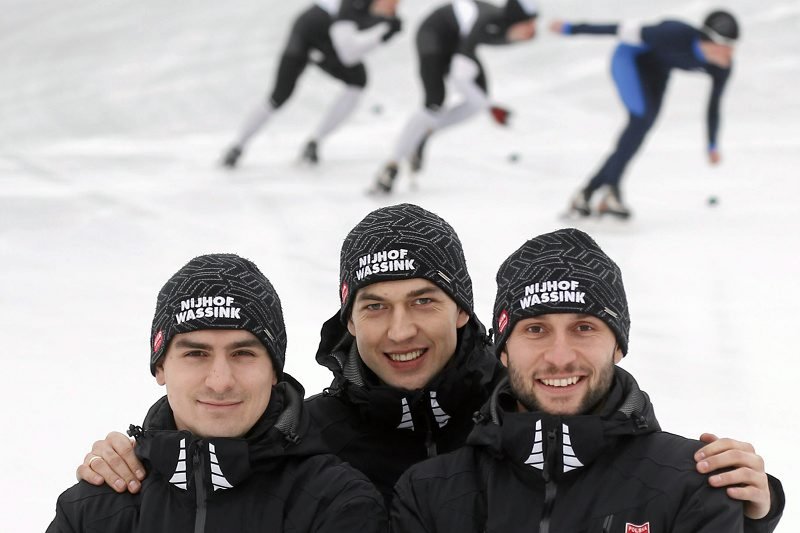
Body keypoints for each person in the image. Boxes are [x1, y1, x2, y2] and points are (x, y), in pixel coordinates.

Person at [74, 206, 781, 528]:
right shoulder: (305, 435)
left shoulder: (535, 395)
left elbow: (623, 472)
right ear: (348, 321)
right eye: (374, 307)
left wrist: (753, 498)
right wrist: (138, 450)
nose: (401, 329)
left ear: (467, 314)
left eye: (424, 300)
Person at [391, 228, 785, 532]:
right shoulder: (431, 493)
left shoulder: (690, 484)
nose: (560, 357)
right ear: (504, 350)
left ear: (618, 345)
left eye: (583, 328)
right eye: (535, 330)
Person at [48, 254, 386, 532]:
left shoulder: (334, 504)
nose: (220, 381)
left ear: (273, 371)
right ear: (161, 367)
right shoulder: (92, 512)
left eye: (243, 354)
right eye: (196, 354)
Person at [551, 10, 739, 219]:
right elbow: (619, 29)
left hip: (658, 72)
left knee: (641, 127)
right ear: (709, 41)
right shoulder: (672, 33)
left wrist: (712, 144)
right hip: (629, 59)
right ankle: (609, 189)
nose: (730, 55)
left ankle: (588, 192)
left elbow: (713, 106)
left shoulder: (722, 66)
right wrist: (572, 28)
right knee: (642, 119)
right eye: (727, 47)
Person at [369, 0, 539, 194]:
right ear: (514, 20)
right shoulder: (486, 22)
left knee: (477, 100)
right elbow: (460, 77)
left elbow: (471, 82)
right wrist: (491, 108)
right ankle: (392, 165)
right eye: (528, 24)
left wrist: (487, 105)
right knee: (434, 103)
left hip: (456, 42)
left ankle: (423, 133)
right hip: (432, 34)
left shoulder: (506, 27)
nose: (532, 31)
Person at [221, 0, 402, 168]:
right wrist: (382, 36)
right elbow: (348, 54)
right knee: (279, 95)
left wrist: (382, 31)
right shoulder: (353, 4)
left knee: (357, 82)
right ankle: (237, 145)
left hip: (328, 41)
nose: (395, 7)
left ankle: (314, 142)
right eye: (394, 2)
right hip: (305, 35)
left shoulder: (376, 11)